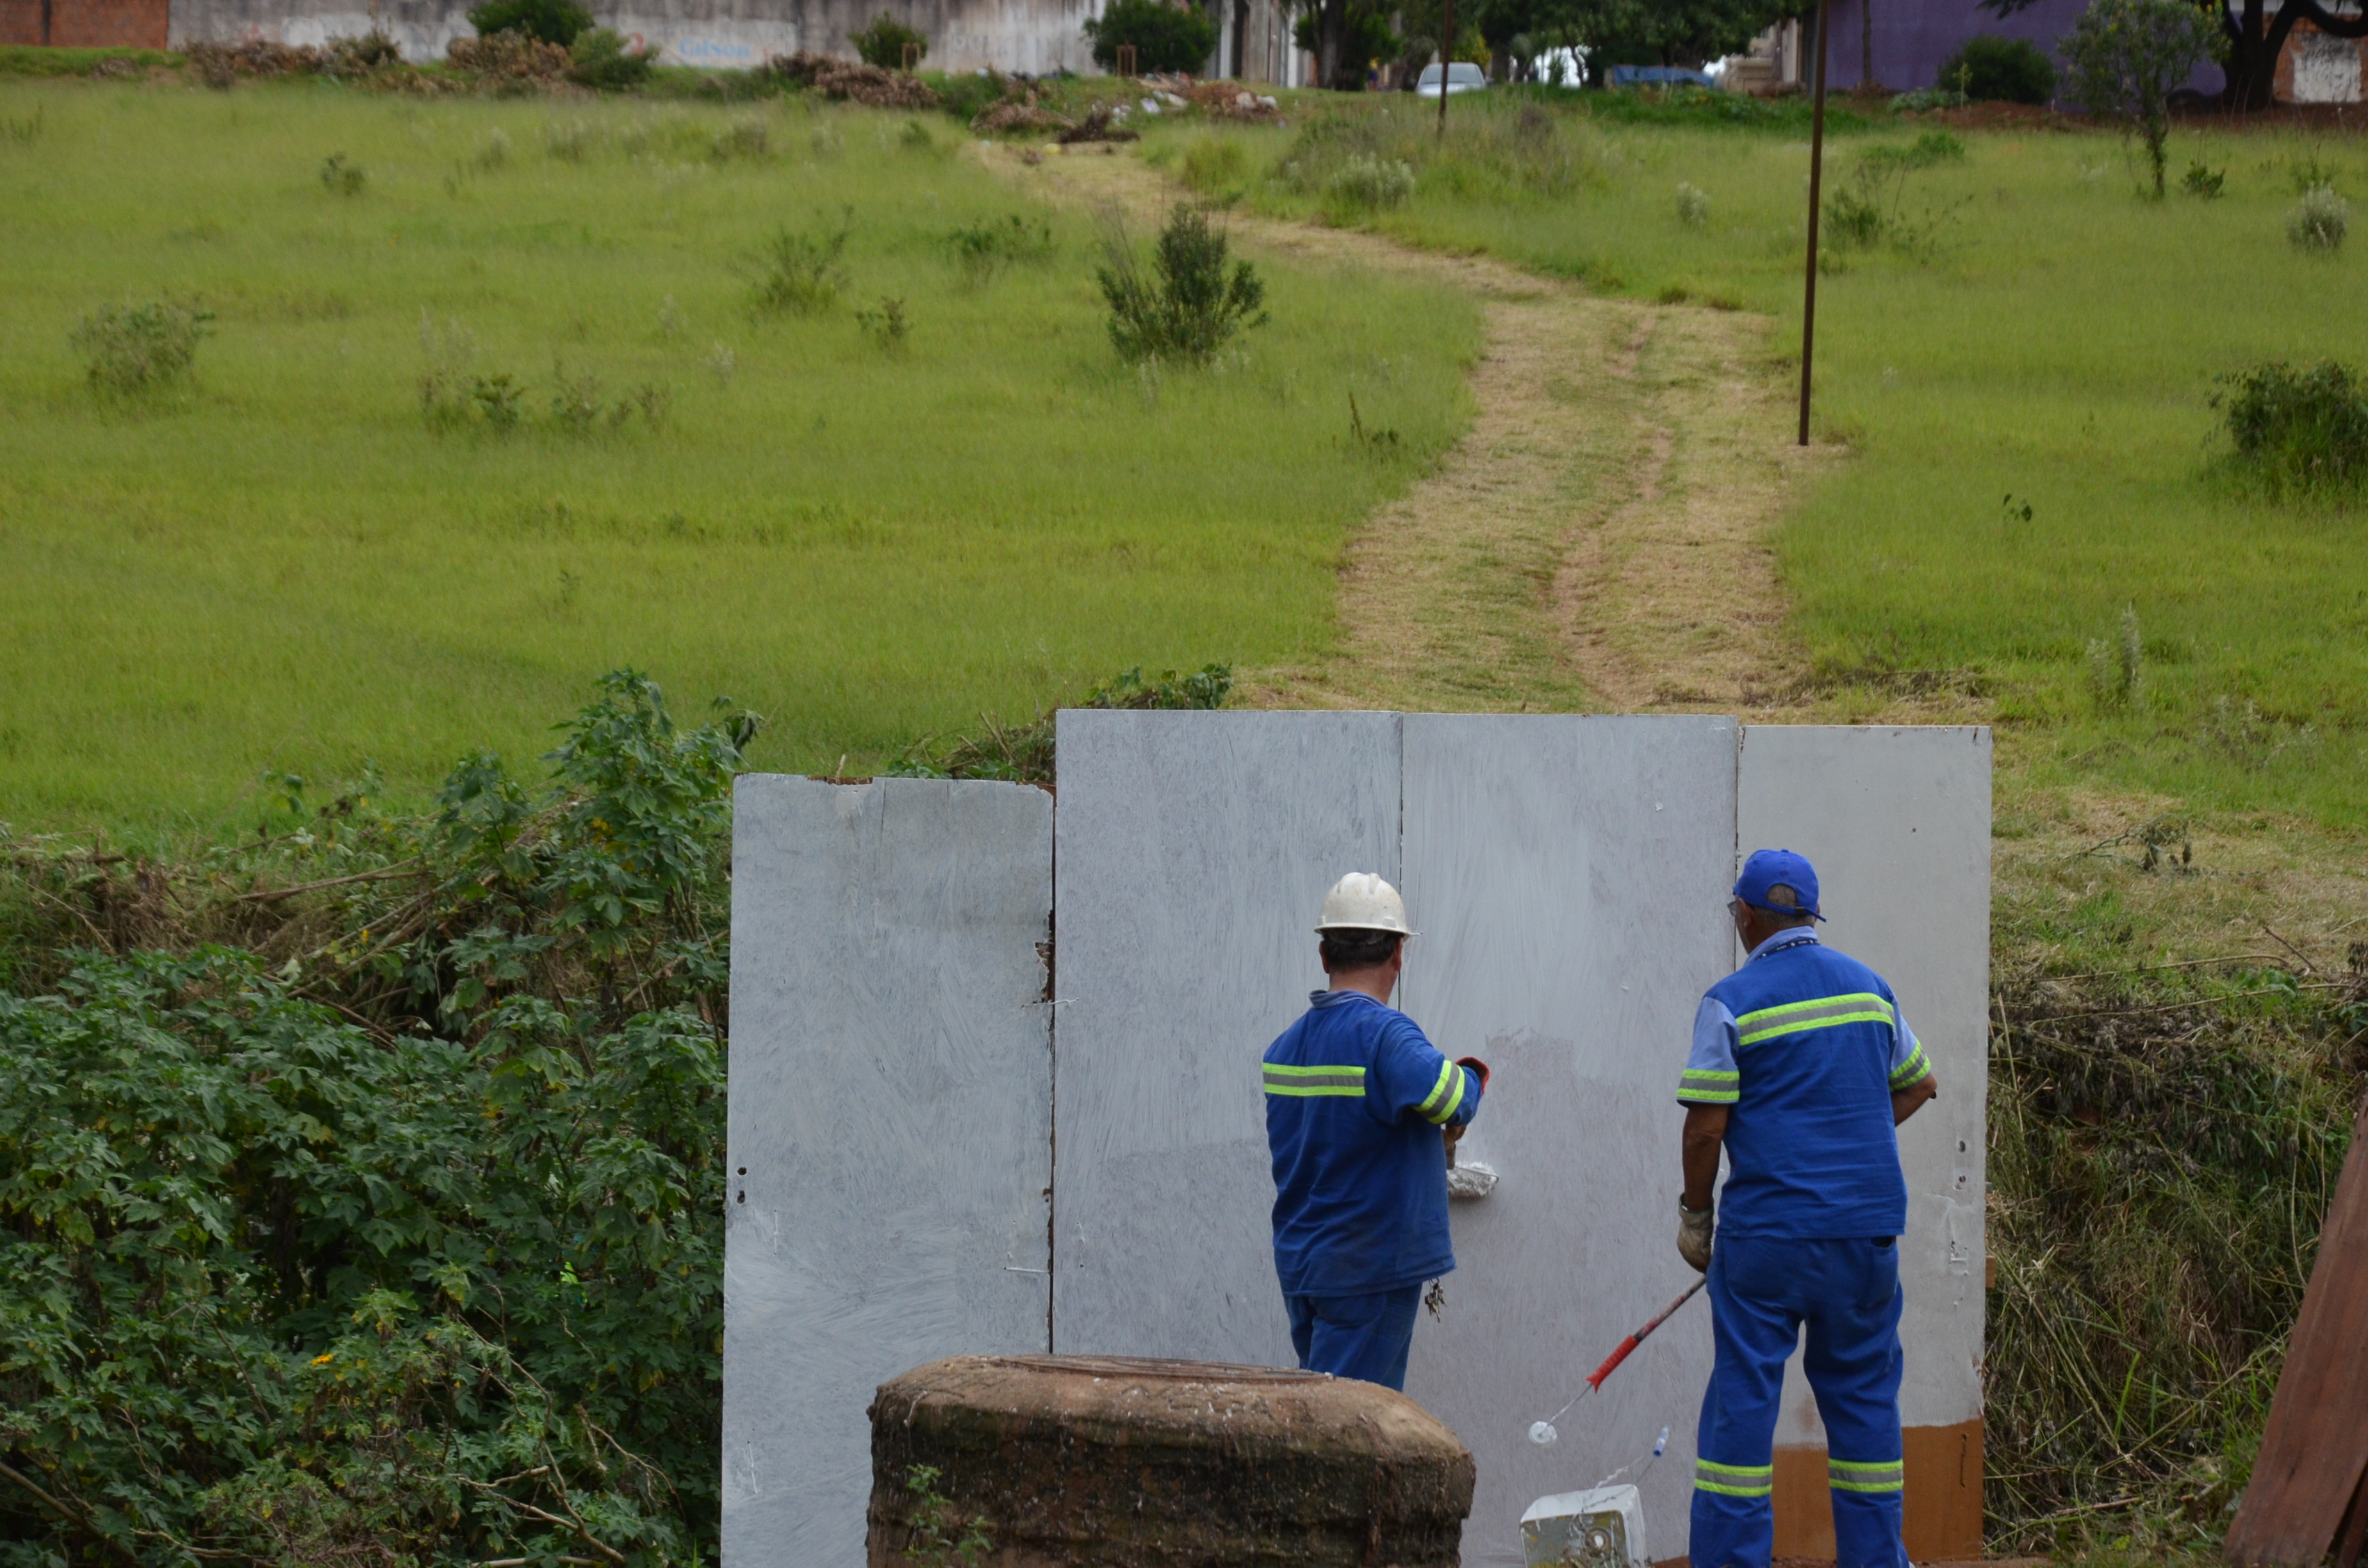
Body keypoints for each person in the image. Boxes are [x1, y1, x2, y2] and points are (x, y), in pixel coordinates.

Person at [1675, 849, 1939, 1568]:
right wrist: (1848, 1136)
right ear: (1811, 919)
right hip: (1865, 1238)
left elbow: (1705, 1127)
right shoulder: (1869, 990)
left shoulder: (1731, 1001)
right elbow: (1919, 1085)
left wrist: (1696, 1218)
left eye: (1736, 912)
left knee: (1744, 1399)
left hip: (1770, 1240)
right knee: (1863, 1404)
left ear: (1749, 916)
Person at [1262, 872, 1488, 1391]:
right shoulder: (1386, 1037)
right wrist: (1474, 1072)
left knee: (1324, 1404)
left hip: (1305, 1265)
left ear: (1325, 954)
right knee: (1349, 1430)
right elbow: (1456, 1100)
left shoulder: (1284, 1049)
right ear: (1398, 955)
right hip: (1370, 1269)